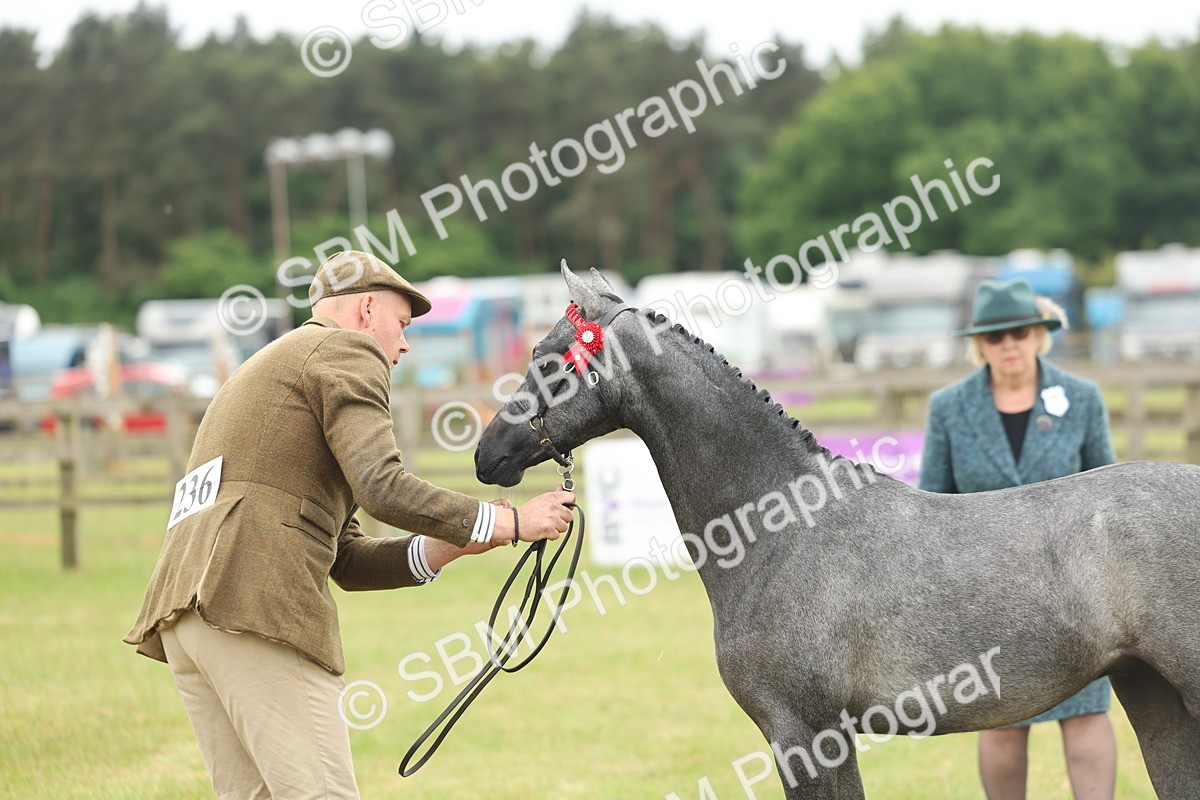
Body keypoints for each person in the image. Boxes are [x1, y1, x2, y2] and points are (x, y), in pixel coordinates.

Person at [124, 250, 575, 800]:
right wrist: (508, 521)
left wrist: (456, 543)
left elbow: (348, 561)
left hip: (188, 615)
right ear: (366, 309)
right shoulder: (346, 351)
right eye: (402, 325)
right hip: (253, 602)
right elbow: (382, 486)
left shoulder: (273, 364)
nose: (404, 344)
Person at [919, 278, 1118, 800]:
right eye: (995, 335)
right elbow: (930, 507)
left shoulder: (1081, 399)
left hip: (1077, 593)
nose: (1009, 344)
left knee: (1086, 717)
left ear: (1039, 335)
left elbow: (1110, 496)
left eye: (1019, 331)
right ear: (979, 344)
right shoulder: (949, 408)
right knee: (1002, 725)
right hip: (989, 596)